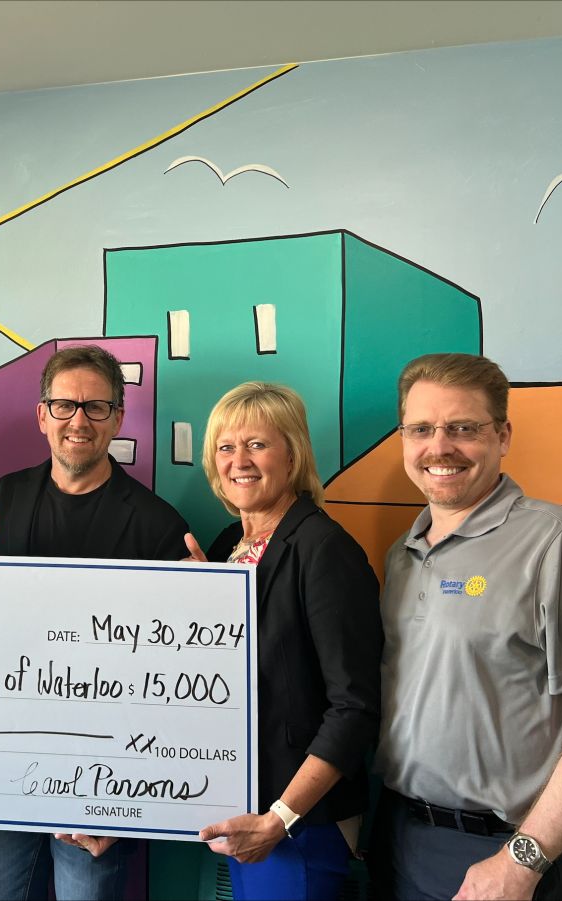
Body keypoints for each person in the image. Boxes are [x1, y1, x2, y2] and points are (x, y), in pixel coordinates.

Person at [370, 353, 562, 901]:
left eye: (464, 428)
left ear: (503, 436)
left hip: (507, 855)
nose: (439, 446)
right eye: (421, 428)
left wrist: (521, 862)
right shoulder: (405, 554)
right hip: (399, 838)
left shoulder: (558, 543)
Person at [0, 344, 189, 901]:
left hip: (103, 775)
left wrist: (198, 606)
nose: (78, 420)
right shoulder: (0, 501)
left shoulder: (158, 526)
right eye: (63, 406)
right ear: (42, 416)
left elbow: (177, 679)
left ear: (118, 418)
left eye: (96, 407)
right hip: (5, 755)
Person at [182, 382, 382, 901]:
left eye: (257, 444)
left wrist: (282, 817)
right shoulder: (230, 545)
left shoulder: (324, 550)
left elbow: (354, 708)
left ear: (292, 456)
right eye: (226, 447)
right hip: (243, 806)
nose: (239, 461)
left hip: (299, 821)